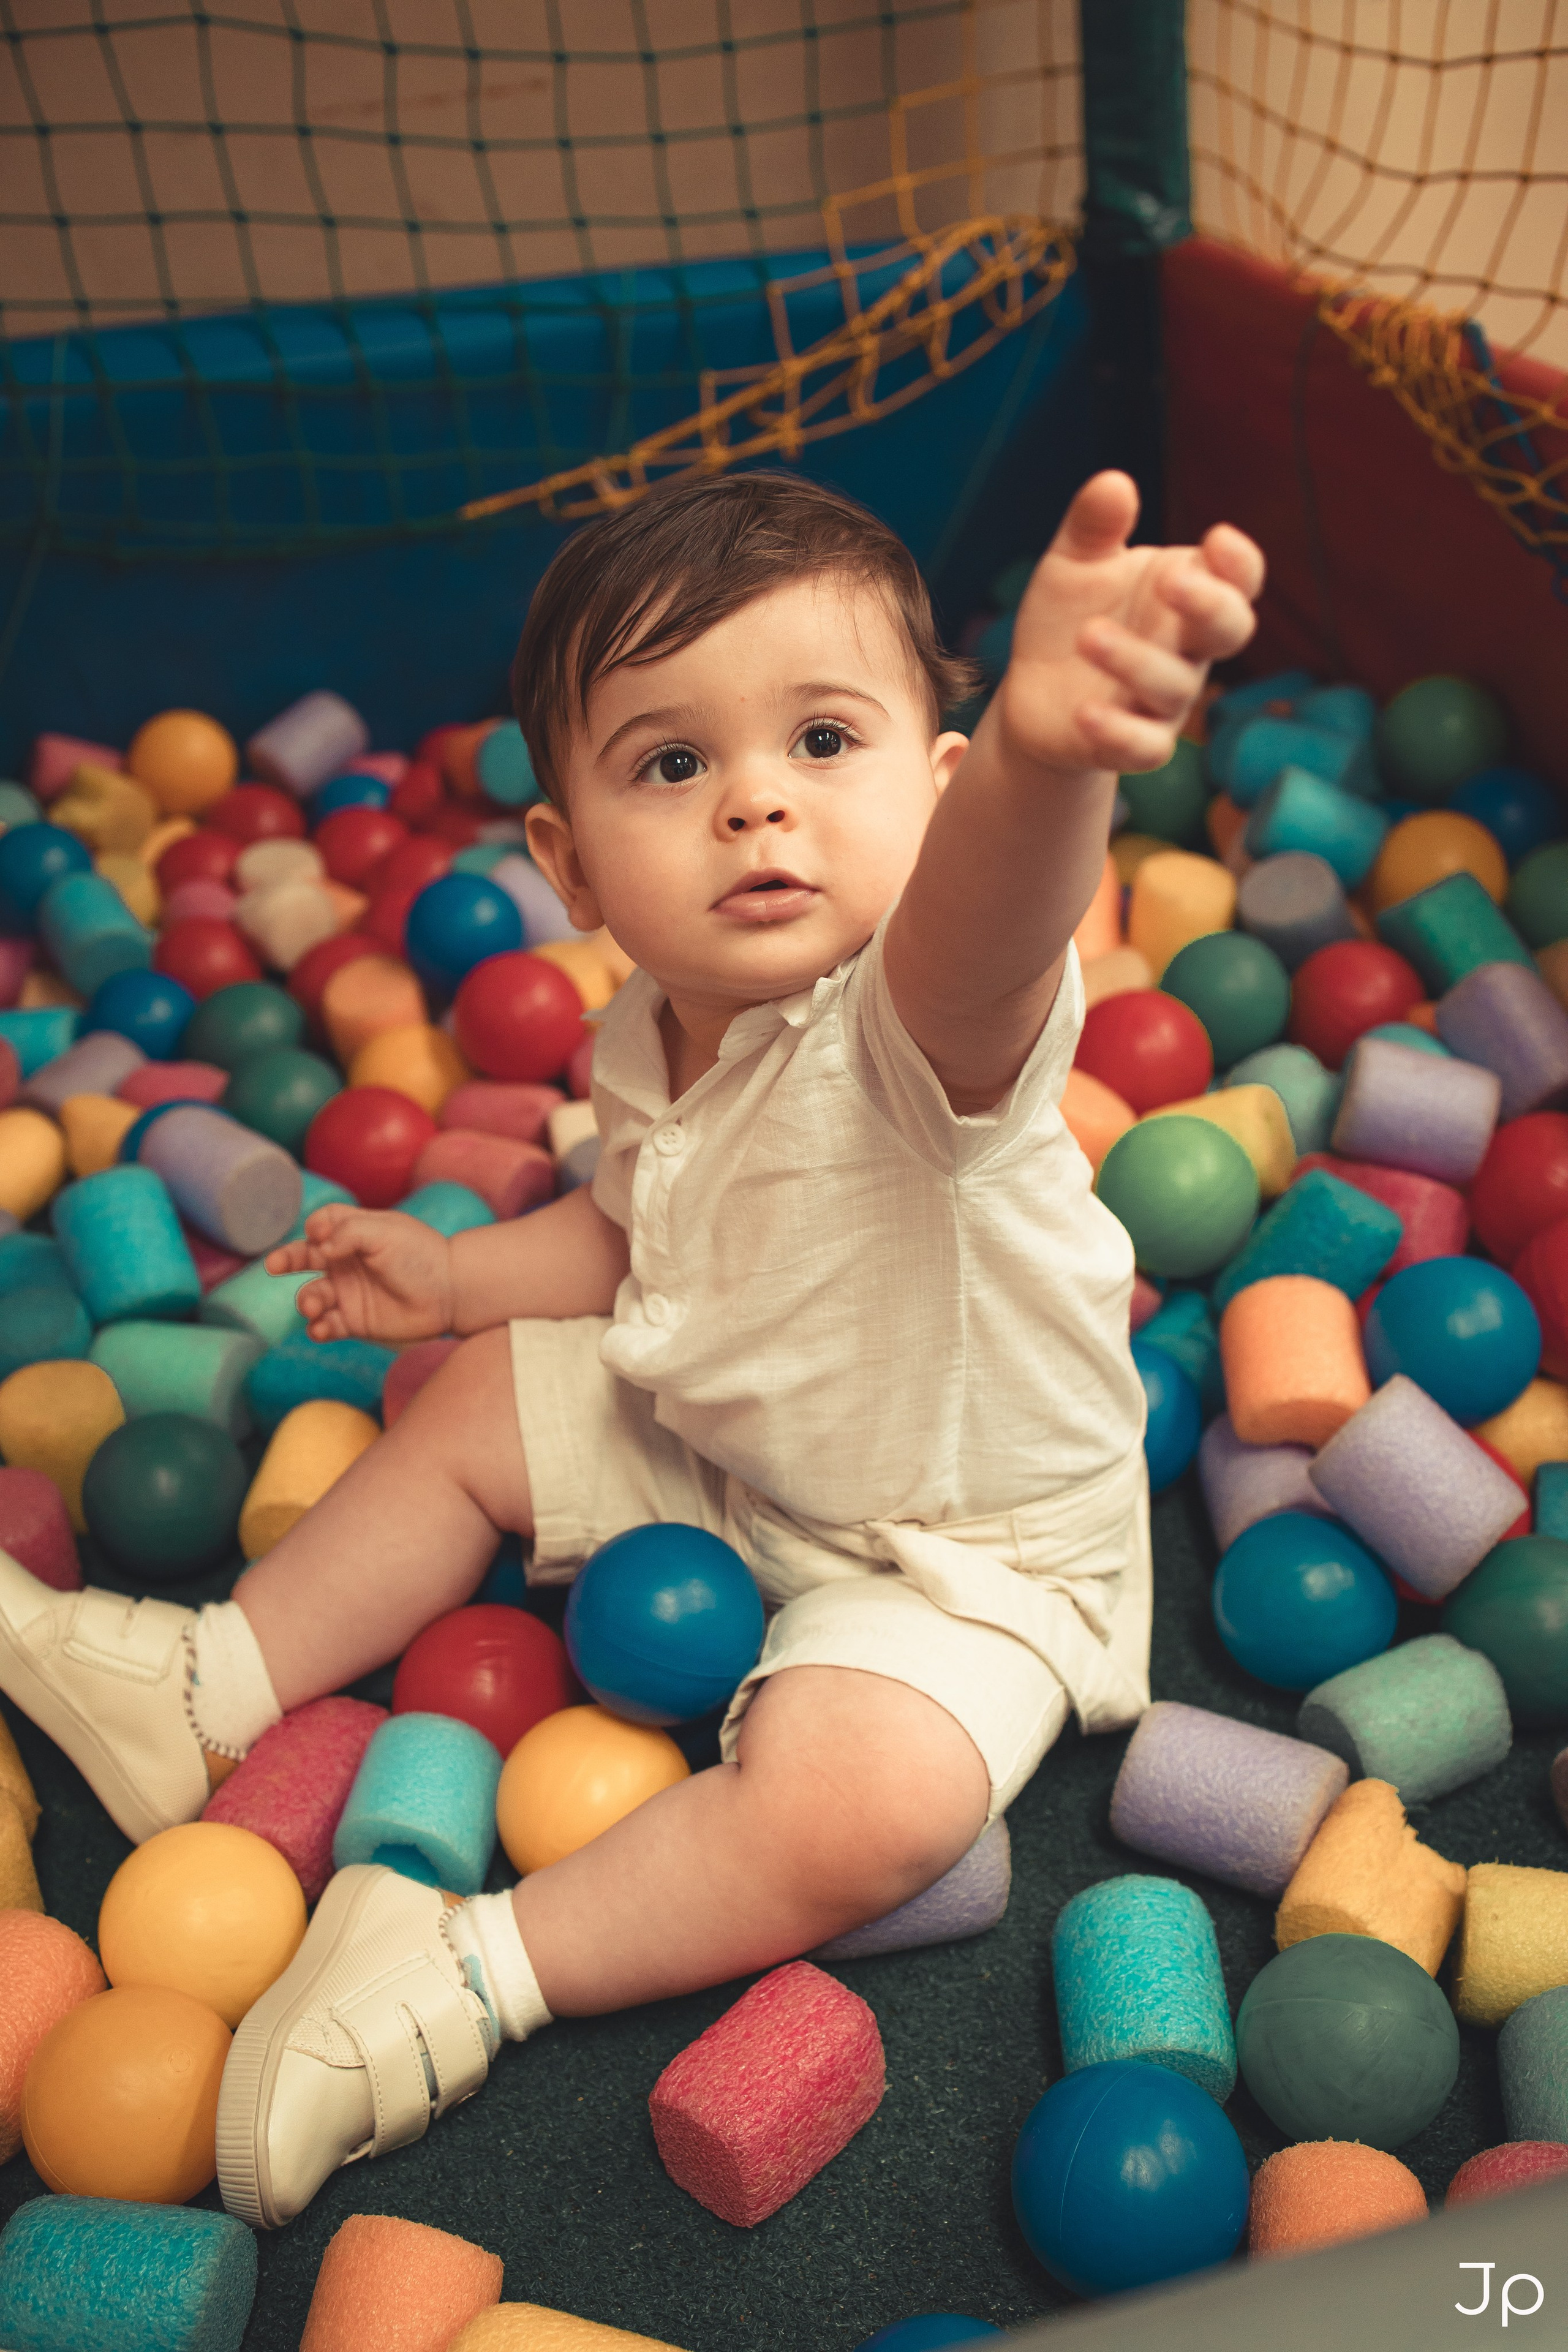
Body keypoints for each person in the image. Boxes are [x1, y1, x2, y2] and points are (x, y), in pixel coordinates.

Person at [0, 467, 1262, 2230]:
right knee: (479, 1401)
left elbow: (993, 925)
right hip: (738, 1440)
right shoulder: (656, 1032)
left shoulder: (922, 1030)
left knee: (872, 1803)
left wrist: (1057, 758)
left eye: (826, 742)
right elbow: (641, 1228)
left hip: (966, 1561)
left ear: (939, 788)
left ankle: (468, 1961)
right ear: (573, 864)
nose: (756, 803)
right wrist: (454, 1285)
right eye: (676, 765)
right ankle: (209, 1683)